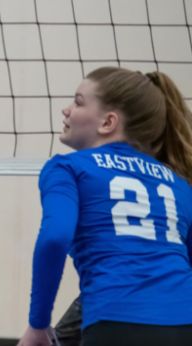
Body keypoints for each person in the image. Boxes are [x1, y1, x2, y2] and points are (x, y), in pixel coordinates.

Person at [19, 67, 192, 346]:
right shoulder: (179, 183)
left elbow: (54, 238)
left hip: (117, 322)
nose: (66, 110)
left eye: (77, 101)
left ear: (108, 122)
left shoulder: (67, 168)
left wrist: (38, 324)